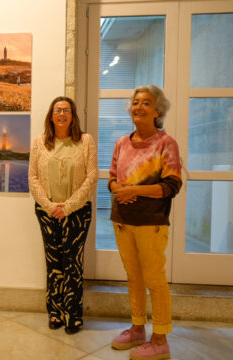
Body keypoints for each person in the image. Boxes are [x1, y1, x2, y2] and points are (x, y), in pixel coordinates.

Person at [108, 85, 181, 360]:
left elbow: (172, 185)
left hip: (151, 222)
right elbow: (112, 178)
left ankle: (160, 339)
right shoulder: (121, 143)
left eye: (146, 103)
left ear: (157, 110)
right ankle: (137, 329)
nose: (138, 107)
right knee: (134, 278)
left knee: (155, 279)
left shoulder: (166, 143)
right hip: (123, 221)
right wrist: (117, 189)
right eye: (135, 102)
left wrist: (133, 191)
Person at [29, 96, 98, 334]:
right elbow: (33, 178)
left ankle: (74, 314)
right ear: (51, 115)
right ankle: (55, 312)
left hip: (78, 213)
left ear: (73, 115)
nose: (61, 114)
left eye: (66, 110)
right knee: (54, 262)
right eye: (57, 110)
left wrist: (67, 207)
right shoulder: (40, 143)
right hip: (47, 213)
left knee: (73, 264)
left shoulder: (85, 141)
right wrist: (50, 206)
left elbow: (92, 177)